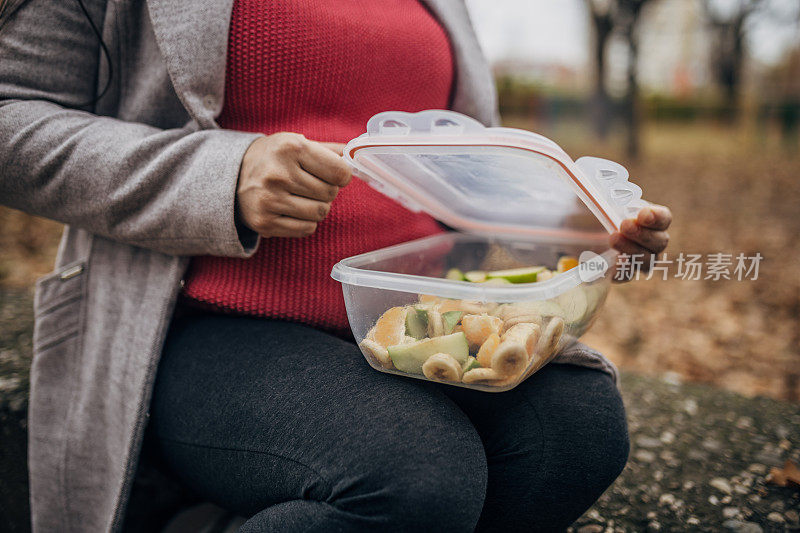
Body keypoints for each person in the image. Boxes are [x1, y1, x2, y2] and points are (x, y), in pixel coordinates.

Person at [0, 0, 671, 531]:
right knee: (415, 474)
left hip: (415, 309)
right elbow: (12, 117)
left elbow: (452, 165)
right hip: (211, 321)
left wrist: (572, 230)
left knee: (578, 433)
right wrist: (218, 176)